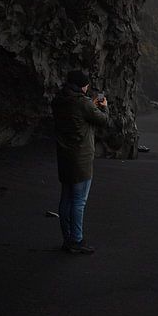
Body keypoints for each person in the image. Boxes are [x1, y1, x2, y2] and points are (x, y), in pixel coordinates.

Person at [51, 70, 109, 254]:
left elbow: (76, 115)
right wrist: (103, 106)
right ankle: (76, 240)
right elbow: (103, 120)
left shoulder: (59, 101)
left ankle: (67, 239)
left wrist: (89, 104)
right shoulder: (82, 103)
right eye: (86, 84)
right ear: (81, 85)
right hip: (81, 158)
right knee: (79, 201)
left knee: (66, 198)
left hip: (64, 156)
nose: (87, 87)